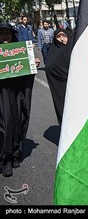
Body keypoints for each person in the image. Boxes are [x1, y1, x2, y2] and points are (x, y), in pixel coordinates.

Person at [0, 23, 40, 177]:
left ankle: (15, 152)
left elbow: (25, 72)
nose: (4, 36)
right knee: (5, 124)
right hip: (0, 95)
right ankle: (5, 160)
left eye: (7, 34)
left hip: (15, 94)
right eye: (2, 33)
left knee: (16, 122)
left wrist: (32, 64)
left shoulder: (18, 52)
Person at [44, 28, 72, 126]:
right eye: (59, 36)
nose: (62, 39)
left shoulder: (74, 49)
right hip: (61, 88)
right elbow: (49, 67)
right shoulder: (54, 52)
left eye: (64, 36)